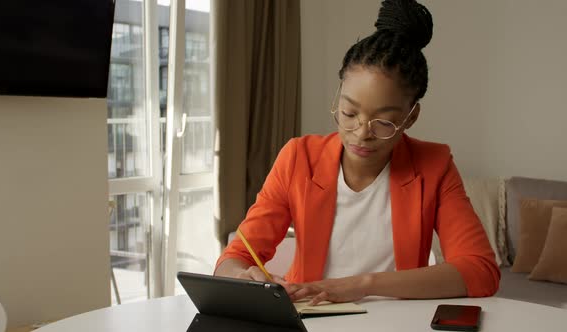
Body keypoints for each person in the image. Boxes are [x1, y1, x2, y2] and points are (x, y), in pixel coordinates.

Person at [214, 0, 500, 305]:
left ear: (411, 117)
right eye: (349, 113)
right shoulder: (299, 157)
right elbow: (235, 258)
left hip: (397, 323)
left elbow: (480, 271)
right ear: (339, 96)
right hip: (313, 319)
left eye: (384, 122)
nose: (362, 133)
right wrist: (241, 276)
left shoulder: (434, 165)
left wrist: (362, 285)